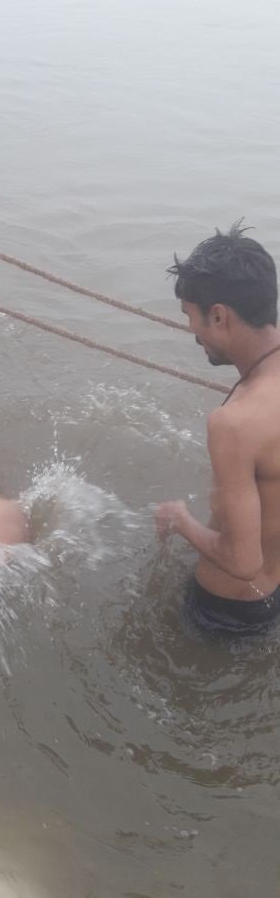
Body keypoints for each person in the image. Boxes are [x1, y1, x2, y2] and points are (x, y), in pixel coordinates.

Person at [155, 221, 280, 635]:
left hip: (227, 606)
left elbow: (244, 563)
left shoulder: (235, 423)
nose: (192, 332)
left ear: (220, 315)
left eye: (191, 317)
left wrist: (180, 520)